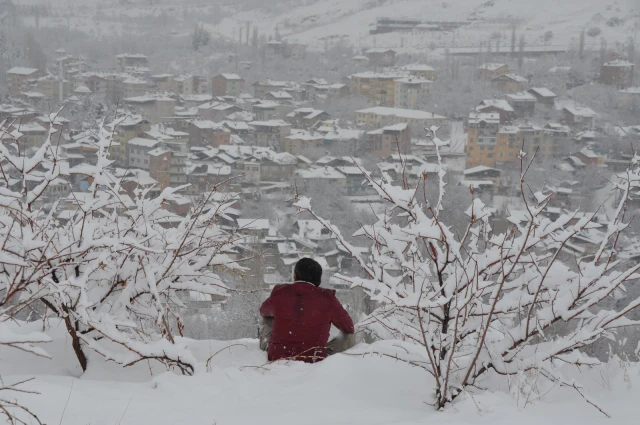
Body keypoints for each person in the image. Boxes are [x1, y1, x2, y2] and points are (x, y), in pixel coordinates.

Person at [259, 258, 355, 363]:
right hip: (313, 358)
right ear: (319, 281)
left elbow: (263, 311)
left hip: (277, 356)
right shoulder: (328, 299)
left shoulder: (279, 293)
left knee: (266, 318)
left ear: (294, 276)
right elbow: (349, 327)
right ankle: (330, 362)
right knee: (349, 336)